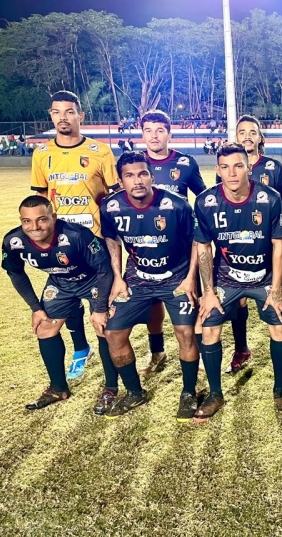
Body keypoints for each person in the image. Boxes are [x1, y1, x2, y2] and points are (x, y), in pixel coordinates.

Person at [194, 143, 282, 419]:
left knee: (279, 327)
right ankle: (215, 394)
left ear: (249, 167)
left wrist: (276, 289)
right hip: (226, 277)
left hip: (264, 278)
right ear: (218, 170)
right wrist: (208, 292)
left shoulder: (270, 198)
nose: (232, 173)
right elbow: (203, 248)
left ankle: (280, 390)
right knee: (209, 328)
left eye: (238, 166)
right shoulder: (205, 201)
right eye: (225, 167)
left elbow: (278, 245)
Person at [100, 152, 199, 420]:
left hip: (176, 278)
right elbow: (112, 240)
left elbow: (196, 242)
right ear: (120, 180)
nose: (137, 181)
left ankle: (189, 393)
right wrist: (118, 277)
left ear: (152, 177)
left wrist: (190, 278)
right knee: (113, 334)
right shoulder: (110, 207)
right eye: (129, 176)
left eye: (143, 174)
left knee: (185, 333)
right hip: (137, 279)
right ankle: (134, 392)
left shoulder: (176, 205)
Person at [30, 90, 119, 381]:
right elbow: (40, 200)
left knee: (102, 314)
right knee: (64, 298)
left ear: (80, 115)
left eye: (69, 112)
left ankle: (111, 382)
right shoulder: (42, 154)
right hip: (59, 246)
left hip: (94, 243)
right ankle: (80, 348)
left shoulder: (100, 151)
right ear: (51, 115)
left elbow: (113, 198)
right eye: (57, 112)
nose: (63, 118)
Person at [1, 196, 113, 411]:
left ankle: (110, 388)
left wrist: (100, 308)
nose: (34, 227)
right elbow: (15, 272)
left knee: (104, 328)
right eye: (27, 221)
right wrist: (36, 308)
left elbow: (104, 270)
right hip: (61, 283)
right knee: (45, 328)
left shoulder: (77, 235)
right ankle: (58, 388)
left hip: (93, 280)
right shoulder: (13, 241)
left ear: (53, 217)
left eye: (41, 219)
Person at [222, 114, 282, 374]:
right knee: (238, 302)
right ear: (236, 136)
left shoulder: (273, 167)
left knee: (276, 298)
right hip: (238, 247)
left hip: (268, 249)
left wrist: (271, 232)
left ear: (260, 137)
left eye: (252, 132)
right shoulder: (230, 166)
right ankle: (241, 349)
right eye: (242, 132)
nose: (247, 136)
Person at [137, 109, 207, 373]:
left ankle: (198, 352)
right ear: (142, 134)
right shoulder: (135, 164)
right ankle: (157, 352)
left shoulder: (185, 163)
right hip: (145, 246)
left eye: (159, 130)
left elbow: (203, 197)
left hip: (181, 248)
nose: (154, 136)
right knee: (152, 304)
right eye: (148, 131)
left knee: (191, 299)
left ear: (169, 134)